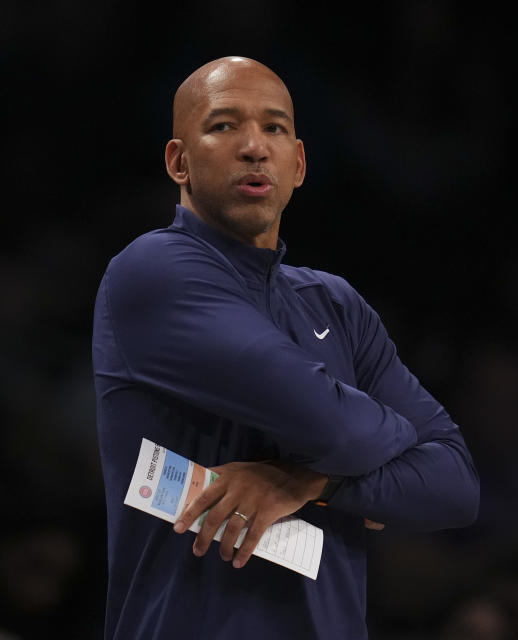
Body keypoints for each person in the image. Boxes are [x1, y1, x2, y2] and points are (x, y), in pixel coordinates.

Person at [92, 56, 479, 639]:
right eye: (223, 126)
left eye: (274, 128)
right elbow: (332, 429)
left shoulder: (336, 304)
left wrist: (314, 483)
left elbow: (455, 485)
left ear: (298, 164)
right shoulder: (152, 271)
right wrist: (389, 437)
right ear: (179, 161)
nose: (254, 147)